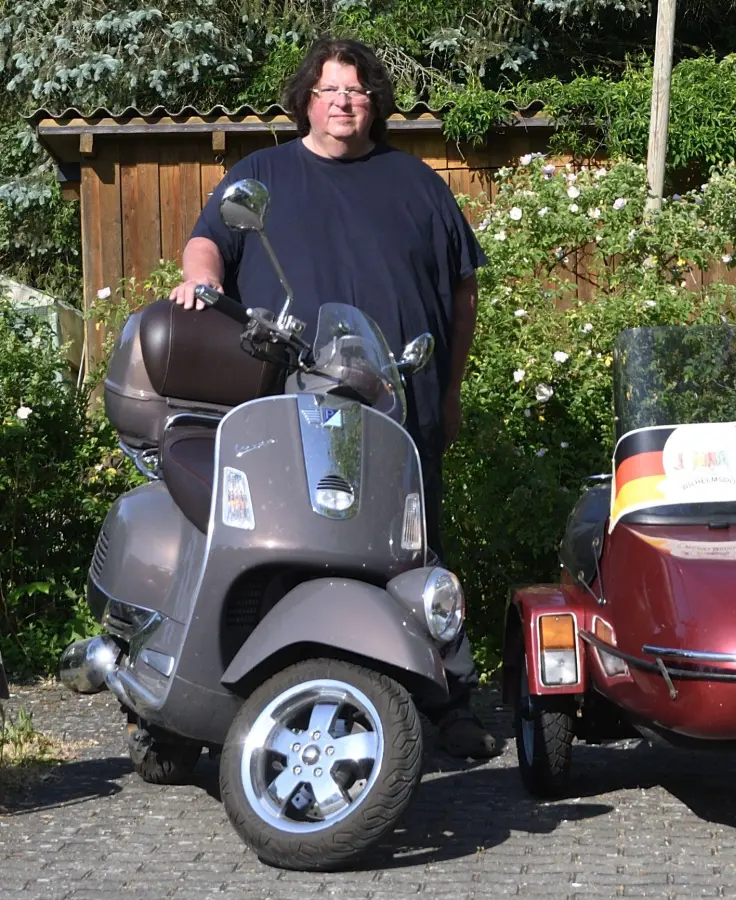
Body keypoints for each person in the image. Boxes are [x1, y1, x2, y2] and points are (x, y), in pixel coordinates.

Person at [169, 37, 500, 759]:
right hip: (288, 404)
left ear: (374, 101)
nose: (343, 103)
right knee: (283, 544)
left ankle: (450, 702)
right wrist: (201, 283)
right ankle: (242, 692)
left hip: (400, 404)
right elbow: (207, 246)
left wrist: (449, 392)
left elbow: (464, 294)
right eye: (329, 91)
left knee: (413, 545)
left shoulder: (418, 184)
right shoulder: (263, 173)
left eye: (356, 90)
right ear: (305, 102)